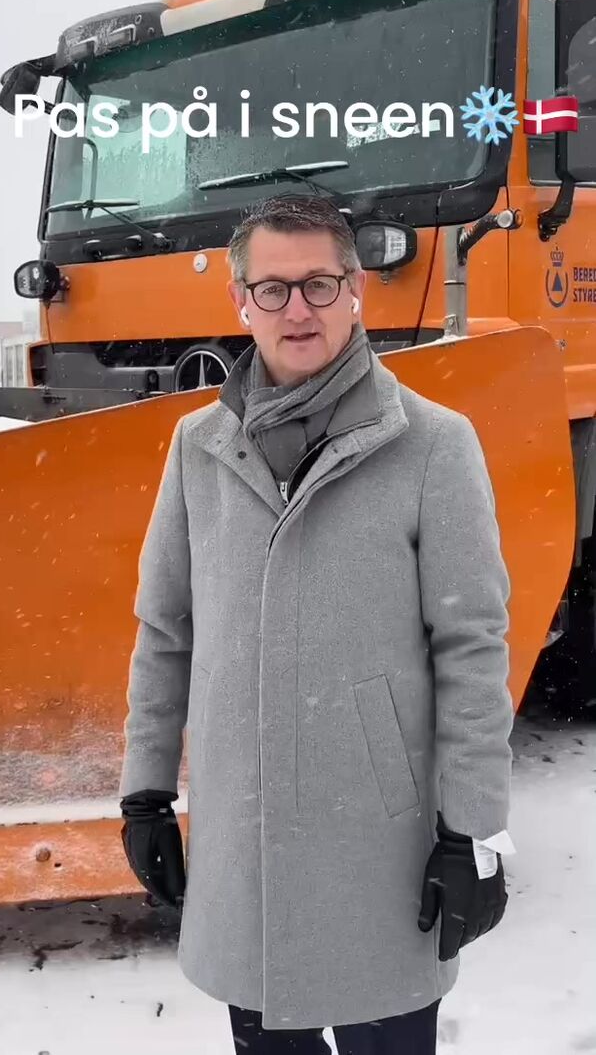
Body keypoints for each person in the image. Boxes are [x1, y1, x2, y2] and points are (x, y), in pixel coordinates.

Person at [118, 195, 516, 1053]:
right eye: (272, 288)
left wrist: (471, 832)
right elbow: (166, 631)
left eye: (319, 284)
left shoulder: (433, 446)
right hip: (244, 852)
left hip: (380, 856)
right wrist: (144, 794)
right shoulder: (197, 448)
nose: (296, 309)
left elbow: (471, 651)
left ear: (356, 290)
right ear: (240, 302)